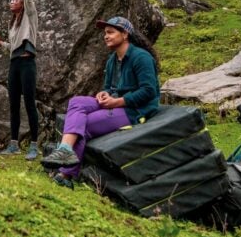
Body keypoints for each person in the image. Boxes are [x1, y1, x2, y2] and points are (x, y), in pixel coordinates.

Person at [41, 16, 160, 187]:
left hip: (135, 110)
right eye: (105, 33)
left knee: (85, 124)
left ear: (125, 34)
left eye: (111, 32)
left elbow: (149, 91)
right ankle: (65, 150)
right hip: (116, 101)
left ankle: (66, 175)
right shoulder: (113, 60)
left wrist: (116, 102)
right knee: (77, 101)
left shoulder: (141, 57)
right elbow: (110, 87)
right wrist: (103, 94)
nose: (106, 36)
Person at [0, 0, 40, 161]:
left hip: (28, 64)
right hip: (14, 65)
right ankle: (13, 144)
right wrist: (1, 43)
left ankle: (34, 145)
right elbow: (14, 46)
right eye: (11, 0)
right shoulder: (13, 24)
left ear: (22, 4)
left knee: (29, 103)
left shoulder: (30, 14)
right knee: (13, 104)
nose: (11, 2)